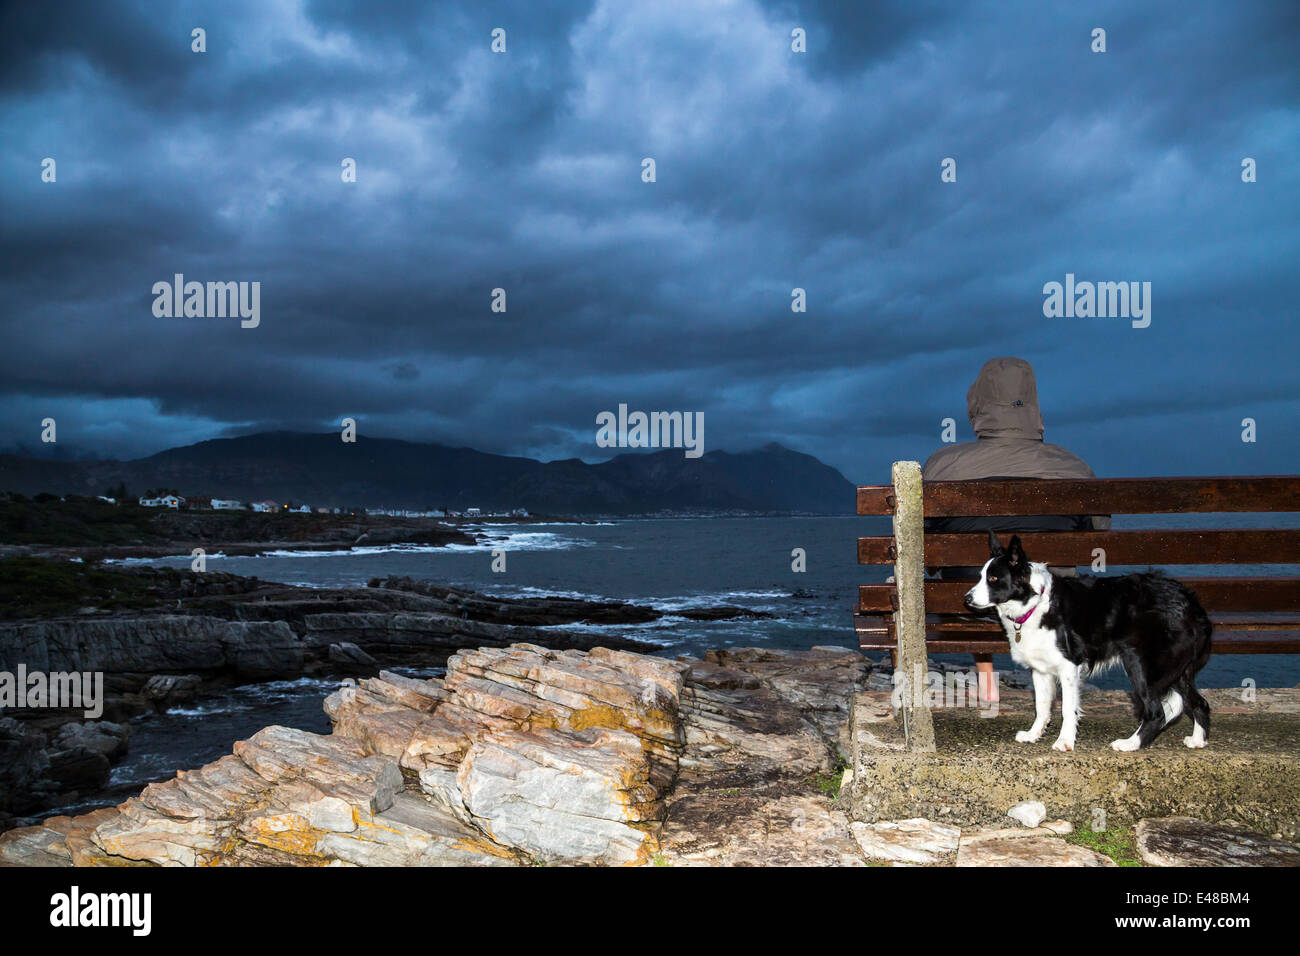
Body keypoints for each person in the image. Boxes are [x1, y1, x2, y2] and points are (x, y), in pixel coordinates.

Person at [922, 357, 1109, 704]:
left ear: (977, 405)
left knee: (977, 575)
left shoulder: (942, 464)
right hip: (1050, 603)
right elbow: (1098, 535)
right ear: (1034, 406)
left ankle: (987, 682)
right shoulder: (1074, 467)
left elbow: (923, 545)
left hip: (965, 603)